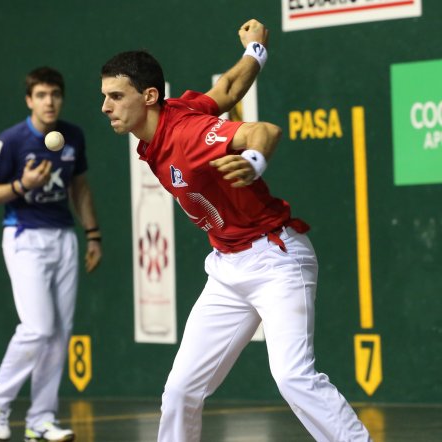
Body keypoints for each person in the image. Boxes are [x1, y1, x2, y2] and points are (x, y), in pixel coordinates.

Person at [100, 19, 371, 442]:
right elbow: (226, 90)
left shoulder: (188, 134)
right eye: (105, 97)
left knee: (293, 377)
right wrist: (255, 52)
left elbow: (264, 131)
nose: (106, 106)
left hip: (276, 259)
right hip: (227, 270)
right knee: (180, 391)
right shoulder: (171, 118)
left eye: (116, 96)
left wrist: (254, 161)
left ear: (149, 96)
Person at [0, 66, 102, 442]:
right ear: (29, 100)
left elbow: (79, 189)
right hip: (23, 236)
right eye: (42, 95)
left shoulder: (73, 136)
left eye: (55, 94)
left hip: (64, 237)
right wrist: (21, 184)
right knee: (37, 328)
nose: (50, 101)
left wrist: (93, 235)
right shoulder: (11, 141)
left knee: (59, 334)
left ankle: (40, 420)